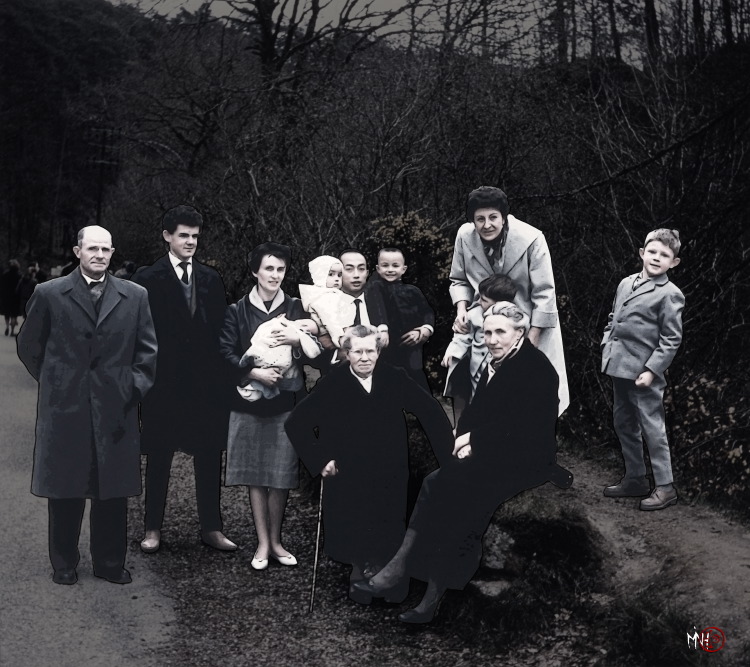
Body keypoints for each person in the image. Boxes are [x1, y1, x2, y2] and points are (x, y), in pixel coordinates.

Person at [352, 303, 573, 623]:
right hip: (495, 450)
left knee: (463, 496)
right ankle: (399, 568)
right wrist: (466, 435)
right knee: (433, 482)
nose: (492, 338)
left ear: (519, 333)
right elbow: (478, 410)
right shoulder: (498, 359)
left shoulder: (536, 369)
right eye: (487, 332)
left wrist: (474, 442)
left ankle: (431, 597)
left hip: (526, 458)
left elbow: (524, 429)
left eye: (500, 332)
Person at [16, 225, 157, 585]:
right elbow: (30, 346)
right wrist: (57, 383)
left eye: (106, 249)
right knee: (66, 488)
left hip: (117, 408)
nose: (99, 255)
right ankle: (63, 561)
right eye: (92, 248)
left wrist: (131, 389)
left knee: (111, 490)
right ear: (77, 251)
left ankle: (109, 563)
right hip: (66, 408)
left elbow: (147, 352)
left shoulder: (135, 296)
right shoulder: (49, 293)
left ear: (112, 253)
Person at [285, 324, 454, 603]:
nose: (365, 358)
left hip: (390, 464)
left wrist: (448, 457)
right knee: (354, 518)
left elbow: (430, 411)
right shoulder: (333, 382)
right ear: (346, 353)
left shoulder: (393, 377)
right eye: (358, 352)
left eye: (370, 351)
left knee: (389, 517)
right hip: (348, 468)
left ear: (378, 353)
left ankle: (389, 574)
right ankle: (359, 570)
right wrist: (320, 460)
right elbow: (297, 423)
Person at [132, 205, 237, 554]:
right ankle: (152, 529)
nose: (191, 242)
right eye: (184, 235)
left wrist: (226, 377)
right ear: (167, 236)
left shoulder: (210, 278)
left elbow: (223, 331)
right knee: (159, 456)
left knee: (209, 455)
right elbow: (140, 335)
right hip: (164, 384)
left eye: (195, 236)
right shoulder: (148, 278)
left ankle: (212, 527)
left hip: (206, 385)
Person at [219, 242, 320, 570]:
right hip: (249, 403)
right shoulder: (237, 310)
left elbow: (316, 348)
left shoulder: (296, 308)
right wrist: (254, 371)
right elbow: (225, 353)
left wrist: (296, 342)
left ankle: (277, 541)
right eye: (269, 269)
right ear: (255, 272)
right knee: (256, 474)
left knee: (280, 473)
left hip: (287, 402)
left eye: (280, 269)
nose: (275, 275)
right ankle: (262, 543)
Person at [449, 186, 569, 414]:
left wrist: (530, 340)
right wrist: (461, 309)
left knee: (527, 398)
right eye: (479, 219)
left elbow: (545, 294)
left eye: (493, 217)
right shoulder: (464, 237)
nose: (487, 225)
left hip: (526, 327)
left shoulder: (532, 239)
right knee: (474, 392)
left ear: (504, 218)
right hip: (482, 328)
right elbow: (458, 279)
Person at [601, 229, 685, 511]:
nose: (656, 258)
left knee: (652, 428)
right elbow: (614, 318)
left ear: (673, 262)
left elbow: (671, 338)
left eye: (664, 255)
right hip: (619, 366)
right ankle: (636, 478)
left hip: (644, 373)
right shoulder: (626, 283)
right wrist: (606, 346)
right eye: (653, 252)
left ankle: (665, 486)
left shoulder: (670, 294)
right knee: (623, 423)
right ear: (642, 253)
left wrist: (651, 370)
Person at [442, 274, 517, 422]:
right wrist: (451, 353)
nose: (479, 302)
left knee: (499, 397)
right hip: (476, 368)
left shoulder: (512, 319)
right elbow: (462, 337)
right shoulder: (474, 315)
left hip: (500, 367)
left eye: (484, 300)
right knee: (475, 396)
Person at [366, 248, 435, 390]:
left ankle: (424, 406)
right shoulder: (376, 287)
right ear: (378, 269)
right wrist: (383, 328)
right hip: (388, 343)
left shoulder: (413, 290)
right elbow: (378, 308)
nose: (390, 269)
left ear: (403, 269)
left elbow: (427, 312)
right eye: (385, 266)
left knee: (416, 377)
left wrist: (424, 330)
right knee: (387, 378)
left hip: (412, 342)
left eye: (395, 266)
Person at [314, 249, 389, 372]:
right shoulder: (324, 305)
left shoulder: (380, 302)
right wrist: (338, 356)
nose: (356, 275)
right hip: (337, 377)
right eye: (349, 269)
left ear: (367, 273)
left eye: (361, 269)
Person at [298, 255, 351, 348]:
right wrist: (340, 338)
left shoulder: (333, 294)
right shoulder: (323, 297)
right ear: (320, 275)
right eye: (331, 274)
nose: (336, 278)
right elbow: (330, 319)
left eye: (339, 275)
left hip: (340, 332)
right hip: (329, 336)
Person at [1, 259, 22, 336]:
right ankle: (12, 331)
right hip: (16, 297)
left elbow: (2, 286)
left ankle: (7, 327)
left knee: (7, 313)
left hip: (6, 297)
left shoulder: (5, 274)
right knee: (14, 314)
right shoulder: (19, 275)